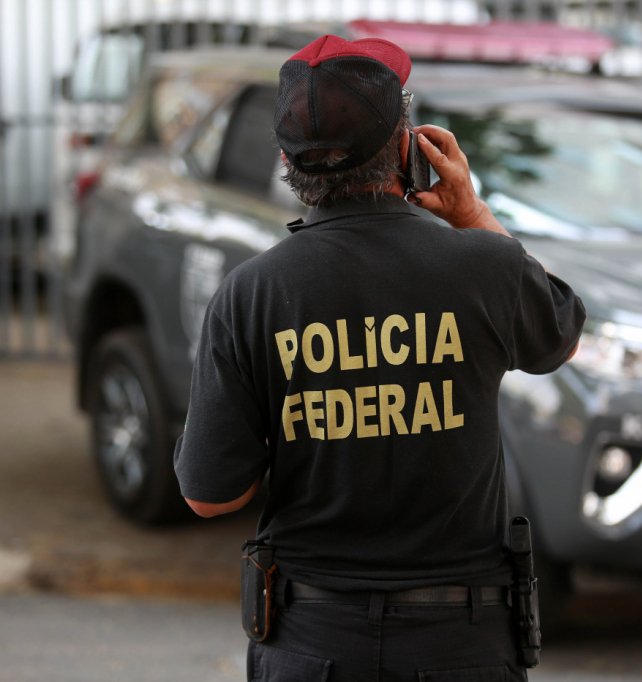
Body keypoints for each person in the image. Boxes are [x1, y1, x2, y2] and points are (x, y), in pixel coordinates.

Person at [173, 34, 586, 681]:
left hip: (313, 639)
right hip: (460, 644)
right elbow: (561, 336)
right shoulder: (484, 267)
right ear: (406, 146)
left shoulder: (251, 293)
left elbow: (210, 497)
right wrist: (472, 212)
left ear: (286, 160)